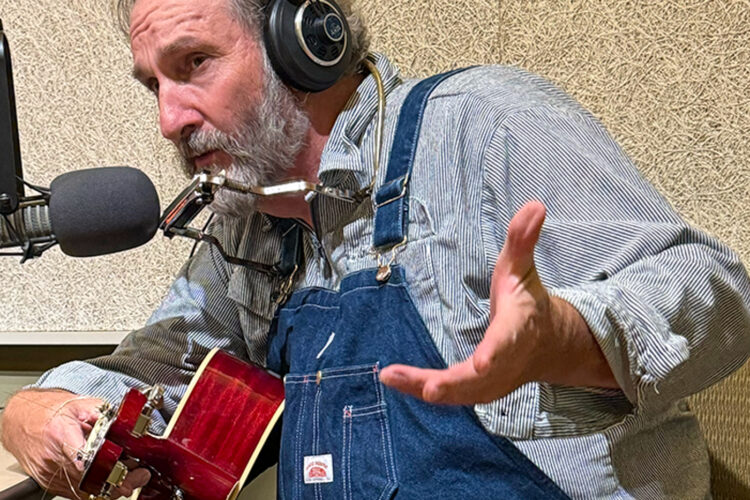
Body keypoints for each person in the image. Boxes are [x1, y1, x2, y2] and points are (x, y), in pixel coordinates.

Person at [2, 0, 749, 497]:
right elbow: (153, 372)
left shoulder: (482, 124)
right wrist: (36, 408)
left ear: (304, 42)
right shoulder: (249, 225)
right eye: (151, 84)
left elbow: (713, 287)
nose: (168, 119)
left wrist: (575, 336)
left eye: (194, 62)